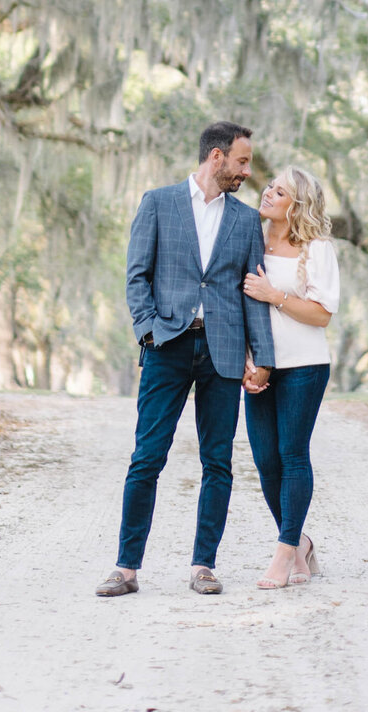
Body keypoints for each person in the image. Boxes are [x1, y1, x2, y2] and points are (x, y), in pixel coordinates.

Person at [96, 121, 276, 598]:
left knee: (218, 462)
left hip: (223, 351)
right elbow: (137, 276)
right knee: (146, 458)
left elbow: (253, 295)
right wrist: (149, 331)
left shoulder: (244, 219)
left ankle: (203, 565)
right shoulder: (158, 203)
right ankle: (126, 567)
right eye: (241, 161)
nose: (247, 171)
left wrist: (262, 358)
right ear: (216, 158)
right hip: (167, 347)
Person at [241, 165, 340, 589]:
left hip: (304, 366)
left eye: (278, 192)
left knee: (292, 454)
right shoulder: (251, 241)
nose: (266, 193)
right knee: (265, 460)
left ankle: (283, 555)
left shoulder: (316, 249)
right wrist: (247, 360)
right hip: (258, 365)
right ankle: (301, 544)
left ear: (296, 205)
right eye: (269, 186)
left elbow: (321, 315)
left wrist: (276, 296)